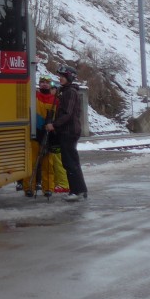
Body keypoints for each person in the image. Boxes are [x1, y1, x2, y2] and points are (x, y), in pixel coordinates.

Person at [46, 64, 88, 202]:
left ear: (69, 77)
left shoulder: (70, 92)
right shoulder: (66, 91)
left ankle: (76, 191)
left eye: (63, 77)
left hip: (68, 131)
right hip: (69, 130)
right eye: (60, 76)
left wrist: (54, 124)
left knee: (69, 162)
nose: (60, 79)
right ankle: (80, 190)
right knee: (72, 161)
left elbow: (67, 113)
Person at [33, 74, 69, 195]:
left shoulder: (56, 101)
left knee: (50, 163)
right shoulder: (34, 96)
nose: (44, 84)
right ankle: (30, 187)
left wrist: (55, 127)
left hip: (51, 133)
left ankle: (50, 187)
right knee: (33, 161)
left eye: (47, 82)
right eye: (42, 81)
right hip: (36, 132)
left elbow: (61, 116)